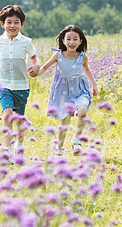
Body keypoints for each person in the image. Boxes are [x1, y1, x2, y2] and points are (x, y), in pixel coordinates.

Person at [30, 25, 98, 155]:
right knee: (65, 121)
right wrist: (37, 72)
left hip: (80, 90)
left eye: (75, 39)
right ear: (63, 41)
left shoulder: (82, 56)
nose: (72, 42)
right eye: (69, 39)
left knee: (83, 110)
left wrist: (94, 85)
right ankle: (60, 147)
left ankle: (76, 140)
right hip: (63, 91)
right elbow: (45, 67)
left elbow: (87, 70)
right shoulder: (58, 55)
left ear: (80, 41)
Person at [0, 5, 40, 164]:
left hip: (21, 85)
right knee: (7, 114)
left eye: (16, 22)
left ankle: (20, 144)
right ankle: (7, 148)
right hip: (3, 84)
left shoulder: (26, 42)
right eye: (9, 22)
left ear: (22, 24)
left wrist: (36, 66)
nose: (12, 25)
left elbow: (34, 57)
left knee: (19, 119)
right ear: (2, 24)